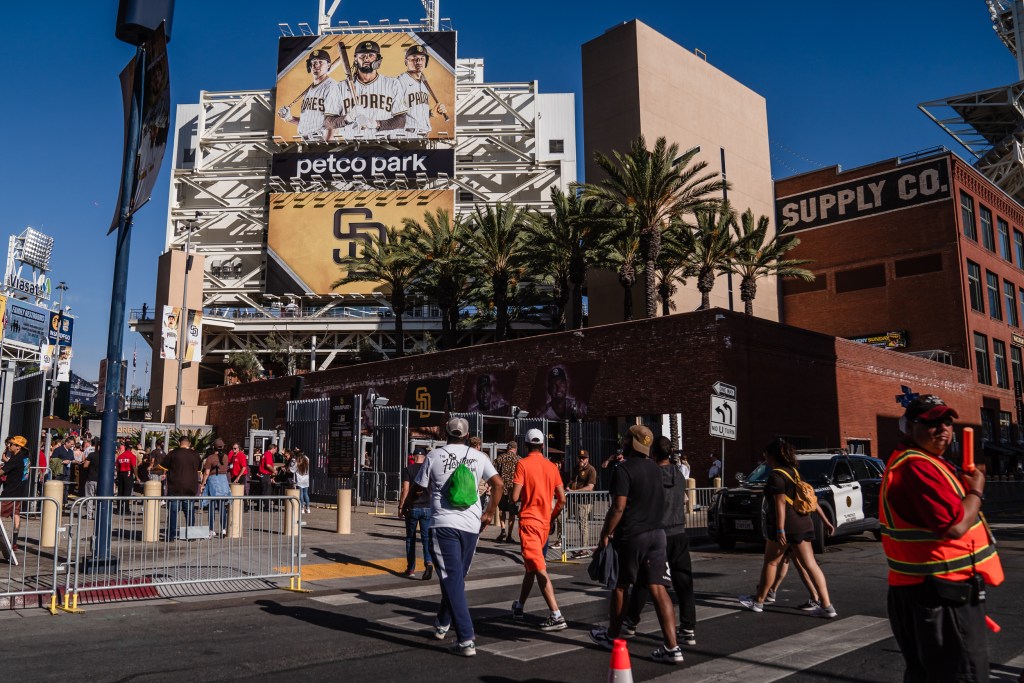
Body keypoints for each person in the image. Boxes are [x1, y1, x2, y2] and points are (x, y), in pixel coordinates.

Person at [882, 395, 1003, 682]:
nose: (943, 429)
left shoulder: (928, 462)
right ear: (909, 428)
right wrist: (976, 491)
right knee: (961, 675)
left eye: (947, 422)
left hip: (933, 592)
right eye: (932, 422)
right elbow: (956, 527)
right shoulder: (917, 466)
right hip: (938, 597)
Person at [402, 417, 502, 657]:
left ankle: (466, 638)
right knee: (456, 578)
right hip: (471, 526)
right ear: (467, 436)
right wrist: (489, 514)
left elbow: (419, 487)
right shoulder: (479, 457)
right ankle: (442, 623)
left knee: (452, 578)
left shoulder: (435, 456)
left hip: (444, 524)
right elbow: (498, 484)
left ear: (445, 434)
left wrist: (408, 503)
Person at [590, 425, 683, 665]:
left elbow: (618, 507)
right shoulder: (655, 468)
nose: (623, 441)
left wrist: (605, 533)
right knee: (658, 587)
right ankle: (672, 647)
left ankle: (612, 636)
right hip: (657, 534)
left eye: (626, 438)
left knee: (621, 586)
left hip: (633, 534)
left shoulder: (624, 469)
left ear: (631, 443)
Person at [739, 438, 837, 618]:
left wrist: (780, 529)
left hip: (788, 525)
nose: (765, 459)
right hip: (804, 522)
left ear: (773, 456)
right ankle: (827, 605)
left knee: (771, 562)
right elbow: (811, 499)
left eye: (766, 456)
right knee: (811, 565)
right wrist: (826, 520)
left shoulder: (776, 476)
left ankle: (759, 601)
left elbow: (780, 503)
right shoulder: (796, 473)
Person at [623, 436, 698, 647]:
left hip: (658, 532)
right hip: (680, 532)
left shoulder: (652, 475)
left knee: (645, 580)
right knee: (684, 583)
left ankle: (631, 621)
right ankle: (688, 628)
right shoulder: (679, 475)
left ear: (654, 454)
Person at [510, 429, 567, 631]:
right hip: (544, 523)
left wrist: (512, 497)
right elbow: (562, 499)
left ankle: (556, 613)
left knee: (539, 568)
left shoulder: (523, 464)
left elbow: (515, 496)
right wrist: (551, 517)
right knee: (531, 567)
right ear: (542, 446)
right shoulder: (552, 467)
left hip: (529, 522)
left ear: (526, 445)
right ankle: (520, 606)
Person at [335, 40, 408, 139]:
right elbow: (328, 121)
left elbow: (401, 120)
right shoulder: (340, 87)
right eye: (362, 56)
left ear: (378, 59)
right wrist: (348, 118)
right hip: (350, 143)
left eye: (371, 55)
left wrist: (376, 124)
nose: (367, 59)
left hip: (382, 143)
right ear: (355, 59)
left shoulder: (392, 84)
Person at [277, 47, 346, 141]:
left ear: (328, 65)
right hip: (305, 140)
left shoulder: (331, 87)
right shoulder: (310, 91)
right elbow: (309, 123)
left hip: (321, 140)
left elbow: (333, 122)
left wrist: (328, 144)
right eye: (313, 62)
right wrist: (290, 118)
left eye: (321, 62)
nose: (316, 64)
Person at [395, 44, 448, 137]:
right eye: (414, 58)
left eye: (422, 58)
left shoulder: (424, 84)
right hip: (406, 135)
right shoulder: (399, 82)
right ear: (406, 62)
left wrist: (431, 113)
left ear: (426, 62)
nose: (419, 61)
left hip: (422, 136)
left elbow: (414, 113)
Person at [398, 446, 433, 580]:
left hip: (412, 507)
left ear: (413, 457)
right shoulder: (428, 470)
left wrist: (401, 507)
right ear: (424, 458)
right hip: (427, 507)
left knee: (410, 538)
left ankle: (411, 569)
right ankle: (428, 562)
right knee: (426, 538)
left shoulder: (408, 470)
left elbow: (405, 490)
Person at [162, 436, 202, 542]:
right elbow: (199, 468)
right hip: (190, 487)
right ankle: (191, 536)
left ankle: (171, 536)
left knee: (173, 512)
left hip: (175, 487)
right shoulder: (195, 454)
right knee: (189, 512)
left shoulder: (173, 453)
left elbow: (163, 466)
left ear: (179, 443)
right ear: (188, 443)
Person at [0, 436, 31, 552]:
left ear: (18, 447)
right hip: (19, 492)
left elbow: (3, 471)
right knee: (16, 515)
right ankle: (14, 542)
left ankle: (11, 542)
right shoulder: (26, 458)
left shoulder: (16, 459)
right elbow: (17, 467)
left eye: (12, 444)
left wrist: (6, 464)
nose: (9, 446)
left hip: (10, 492)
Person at [566, 448, 597, 557]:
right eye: (580, 457)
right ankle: (582, 546)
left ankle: (584, 548)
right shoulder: (576, 469)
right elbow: (572, 480)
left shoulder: (591, 470)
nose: (581, 460)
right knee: (580, 523)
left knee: (583, 524)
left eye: (583, 458)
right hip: (575, 499)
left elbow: (590, 487)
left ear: (587, 459)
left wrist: (575, 491)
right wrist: (568, 486)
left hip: (585, 501)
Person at [200, 439, 231, 537]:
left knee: (212, 507)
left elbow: (206, 472)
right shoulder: (226, 457)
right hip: (223, 482)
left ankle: (211, 529)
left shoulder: (210, 458)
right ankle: (223, 529)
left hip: (213, 481)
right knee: (222, 507)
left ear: (214, 447)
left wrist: (202, 484)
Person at [493, 441, 520, 543]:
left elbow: (493, 472)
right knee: (512, 512)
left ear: (507, 448)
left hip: (502, 489)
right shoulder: (519, 460)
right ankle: (509, 535)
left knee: (502, 510)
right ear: (515, 449)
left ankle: (502, 529)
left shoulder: (500, 458)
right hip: (514, 490)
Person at [115, 441, 139, 514]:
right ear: (131, 448)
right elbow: (134, 467)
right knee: (127, 492)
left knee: (120, 491)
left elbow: (117, 467)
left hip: (120, 474)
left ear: (125, 447)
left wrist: (118, 475)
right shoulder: (132, 456)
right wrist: (137, 476)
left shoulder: (120, 456)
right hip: (128, 474)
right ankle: (126, 509)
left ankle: (119, 508)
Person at [81, 439, 101, 520]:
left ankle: (89, 515)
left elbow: (85, 465)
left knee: (89, 498)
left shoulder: (92, 455)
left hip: (91, 478)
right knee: (99, 499)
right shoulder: (106, 457)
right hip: (101, 480)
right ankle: (98, 515)